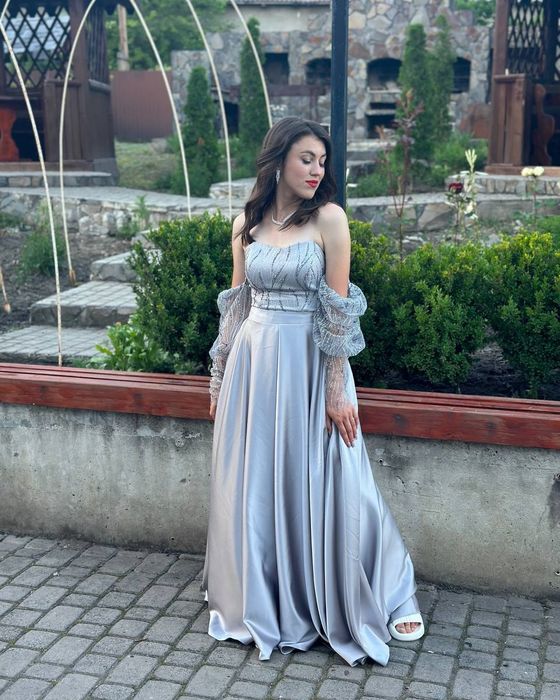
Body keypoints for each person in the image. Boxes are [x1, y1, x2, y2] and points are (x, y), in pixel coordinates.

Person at [201, 117, 424, 667]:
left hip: (312, 364)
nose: (316, 170)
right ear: (278, 160)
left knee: (340, 481)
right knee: (256, 484)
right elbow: (237, 305)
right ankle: (266, 593)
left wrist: (335, 389)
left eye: (322, 161)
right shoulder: (246, 223)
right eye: (306, 159)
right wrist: (219, 376)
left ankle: (388, 585)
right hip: (254, 367)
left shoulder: (330, 219)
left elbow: (338, 311)